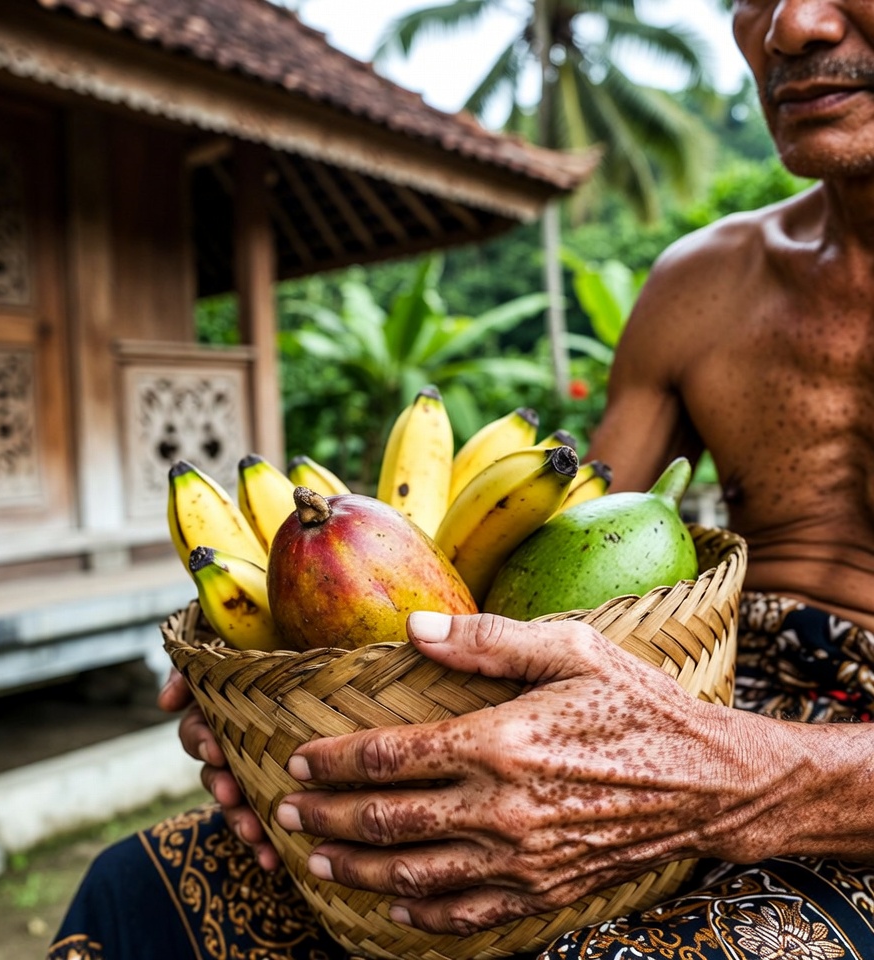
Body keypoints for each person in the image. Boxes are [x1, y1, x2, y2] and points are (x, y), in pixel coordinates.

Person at [49, 2, 874, 957]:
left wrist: (737, 778)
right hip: (691, 692)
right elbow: (539, 574)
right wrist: (297, 699)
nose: (795, 25)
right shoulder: (703, 288)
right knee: (139, 895)